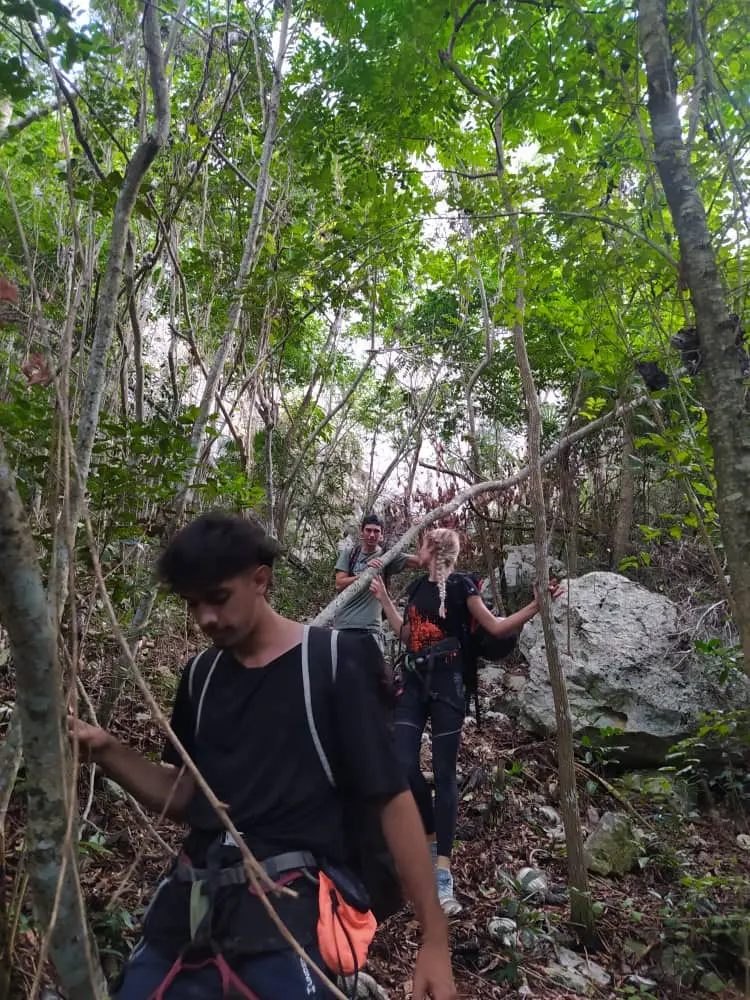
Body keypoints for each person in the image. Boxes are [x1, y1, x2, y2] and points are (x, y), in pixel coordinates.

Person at [69, 513, 456, 1000]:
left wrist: (433, 940)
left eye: (218, 598)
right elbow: (190, 795)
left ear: (260, 580)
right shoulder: (201, 677)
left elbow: (391, 799)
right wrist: (104, 749)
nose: (205, 618)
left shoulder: (335, 663)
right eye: (193, 604)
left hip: (293, 913)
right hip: (193, 903)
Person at [371, 528, 562, 917]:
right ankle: (427, 836)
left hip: (449, 686)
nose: (416, 550)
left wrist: (534, 607)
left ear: (434, 550)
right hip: (413, 681)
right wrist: (386, 600)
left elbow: (493, 626)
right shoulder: (414, 590)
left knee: (443, 775)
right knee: (402, 764)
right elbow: (407, 636)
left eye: (422, 544)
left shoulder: (462, 585)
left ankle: (442, 872)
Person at [333, 513, 420, 653]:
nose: (372, 535)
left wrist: (417, 529)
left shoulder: (387, 557)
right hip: (344, 626)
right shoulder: (350, 553)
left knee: (372, 674)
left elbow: (420, 561)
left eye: (376, 531)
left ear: (382, 534)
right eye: (368, 530)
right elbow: (339, 583)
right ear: (362, 531)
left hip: (371, 629)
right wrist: (366, 574)